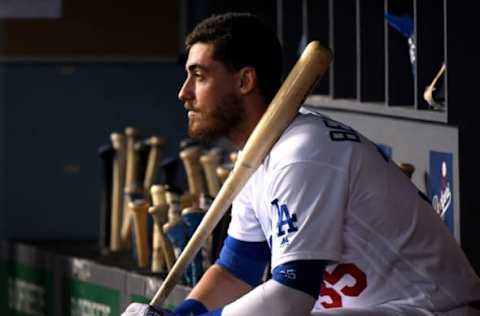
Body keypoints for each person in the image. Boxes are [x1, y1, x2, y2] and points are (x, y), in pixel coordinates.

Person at [123, 12, 480, 316]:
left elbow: (290, 297)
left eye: (199, 76)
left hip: (429, 308)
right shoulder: (258, 156)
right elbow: (236, 271)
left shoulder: (302, 153)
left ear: (245, 81)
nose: (183, 92)